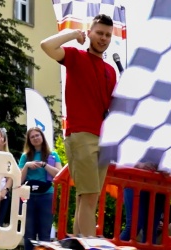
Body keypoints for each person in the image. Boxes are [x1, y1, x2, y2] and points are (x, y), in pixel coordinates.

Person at [40, 14, 117, 237]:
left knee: (87, 197)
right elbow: (46, 45)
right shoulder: (75, 56)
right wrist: (74, 34)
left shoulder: (110, 71)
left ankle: (78, 248)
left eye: (108, 35)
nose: (103, 38)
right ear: (90, 32)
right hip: (80, 135)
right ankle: (91, 248)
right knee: (89, 196)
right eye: (99, 33)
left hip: (103, 138)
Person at [19, 127, 62, 250]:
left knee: (45, 232)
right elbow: (19, 179)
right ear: (29, 140)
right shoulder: (25, 156)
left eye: (37, 135)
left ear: (42, 136)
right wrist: (27, 166)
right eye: (32, 137)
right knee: (29, 233)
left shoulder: (53, 155)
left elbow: (59, 174)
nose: (35, 138)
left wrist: (44, 165)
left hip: (47, 196)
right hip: (29, 197)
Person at [119, 163, 166, 244]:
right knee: (134, 226)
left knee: (150, 231)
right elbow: (122, 157)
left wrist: (168, 168)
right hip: (135, 179)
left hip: (159, 185)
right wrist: (139, 164)